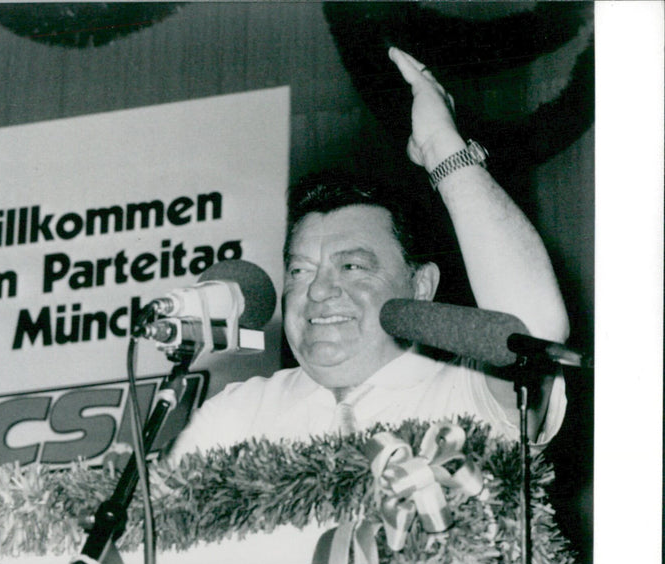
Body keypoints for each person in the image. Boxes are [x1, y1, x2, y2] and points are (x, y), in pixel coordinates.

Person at [167, 47, 569, 463]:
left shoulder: (464, 389)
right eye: (300, 271)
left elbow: (527, 331)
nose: (318, 291)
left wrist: (441, 149)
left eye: (352, 266)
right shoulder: (239, 415)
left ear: (421, 285)